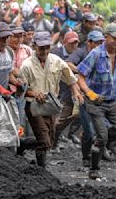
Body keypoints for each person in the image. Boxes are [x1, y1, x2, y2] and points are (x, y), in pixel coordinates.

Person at [19, 31, 83, 168]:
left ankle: (23, 144)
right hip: (34, 107)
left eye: (47, 47)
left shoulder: (56, 61)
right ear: (34, 46)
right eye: (41, 48)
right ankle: (40, 167)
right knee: (45, 141)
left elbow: (70, 79)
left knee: (49, 139)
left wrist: (76, 92)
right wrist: (34, 93)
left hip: (51, 106)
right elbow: (21, 91)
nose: (45, 51)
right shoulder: (27, 66)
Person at [77, 23, 116, 179]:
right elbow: (80, 76)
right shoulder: (95, 54)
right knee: (102, 136)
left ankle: (99, 140)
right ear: (106, 37)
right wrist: (88, 92)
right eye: (114, 38)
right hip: (96, 101)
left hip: (112, 100)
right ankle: (94, 168)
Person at [66, 30, 105, 166]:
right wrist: (82, 71)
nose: (100, 45)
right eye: (97, 42)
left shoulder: (104, 55)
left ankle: (98, 153)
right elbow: (68, 63)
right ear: (89, 42)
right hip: (84, 96)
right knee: (89, 129)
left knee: (101, 128)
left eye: (101, 42)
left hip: (99, 97)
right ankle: (86, 156)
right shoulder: (82, 52)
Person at [51, 31, 82, 152]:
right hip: (59, 89)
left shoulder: (79, 54)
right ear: (64, 42)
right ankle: (53, 141)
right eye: (71, 43)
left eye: (76, 43)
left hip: (73, 90)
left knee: (76, 116)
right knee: (59, 120)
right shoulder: (56, 53)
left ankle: (70, 134)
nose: (73, 45)